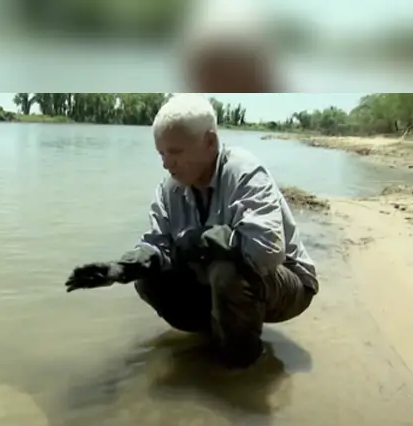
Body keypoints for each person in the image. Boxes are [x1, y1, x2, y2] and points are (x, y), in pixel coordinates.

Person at [64, 94, 319, 369]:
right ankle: (215, 332)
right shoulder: (169, 188)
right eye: (161, 154)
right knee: (148, 278)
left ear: (209, 142)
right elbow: (159, 245)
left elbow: (267, 250)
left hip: (287, 281)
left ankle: (240, 364)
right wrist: (121, 269)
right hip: (217, 277)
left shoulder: (242, 171)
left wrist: (202, 239)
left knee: (227, 271)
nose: (166, 163)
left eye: (175, 153)